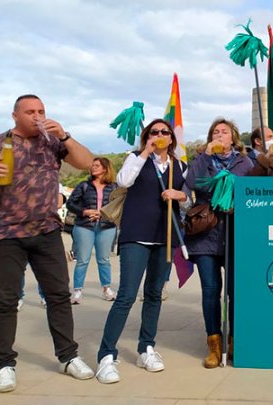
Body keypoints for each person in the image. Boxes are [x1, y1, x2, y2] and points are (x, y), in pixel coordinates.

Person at [0, 94, 95, 393]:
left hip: (47, 231)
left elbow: (87, 163)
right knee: (4, 301)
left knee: (58, 297)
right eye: (30, 111)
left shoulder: (52, 142)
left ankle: (68, 357)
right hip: (6, 234)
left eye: (41, 110)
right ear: (15, 115)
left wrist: (64, 134)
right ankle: (4, 364)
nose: (37, 116)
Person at [95, 119, 189, 384]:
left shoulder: (180, 165)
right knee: (126, 295)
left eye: (164, 132)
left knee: (154, 295)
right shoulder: (135, 158)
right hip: (136, 235)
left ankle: (146, 348)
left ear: (171, 138)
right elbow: (124, 181)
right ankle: (107, 354)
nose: (159, 135)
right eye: (153, 132)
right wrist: (146, 152)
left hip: (165, 236)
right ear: (147, 136)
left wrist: (180, 196)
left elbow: (189, 199)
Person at [185, 118, 254, 368]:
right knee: (211, 291)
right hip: (206, 235)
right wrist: (204, 155)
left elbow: (256, 188)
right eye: (215, 132)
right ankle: (214, 343)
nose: (219, 134)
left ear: (233, 138)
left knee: (236, 292)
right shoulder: (202, 159)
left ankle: (235, 340)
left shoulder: (244, 162)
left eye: (224, 131)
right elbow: (192, 182)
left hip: (235, 233)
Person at [66, 157, 119, 304]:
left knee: (104, 260)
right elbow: (70, 203)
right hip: (84, 226)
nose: (93, 167)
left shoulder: (115, 187)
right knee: (82, 260)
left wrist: (103, 214)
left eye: (97, 165)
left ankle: (106, 289)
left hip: (106, 227)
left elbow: (118, 206)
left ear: (105, 168)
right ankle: (77, 291)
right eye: (92, 165)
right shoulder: (84, 185)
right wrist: (85, 211)